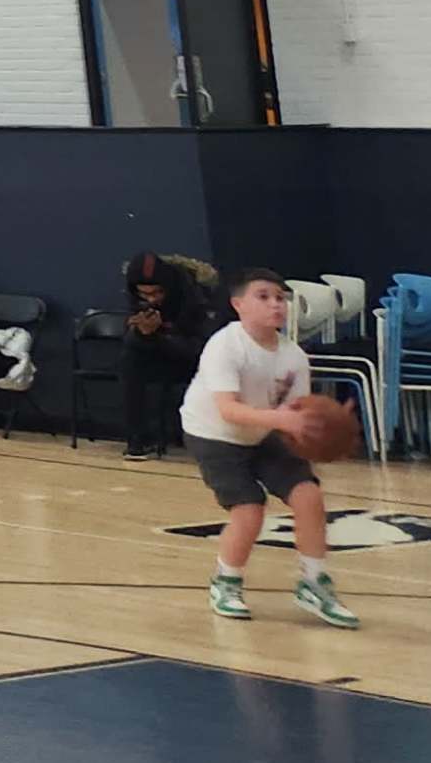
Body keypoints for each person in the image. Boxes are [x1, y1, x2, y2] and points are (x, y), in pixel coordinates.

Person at [185, 270, 355, 628]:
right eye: (263, 296)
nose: (275, 304)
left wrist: (327, 428)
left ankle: (314, 583)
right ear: (238, 304)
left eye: (280, 298)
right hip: (215, 434)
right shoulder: (224, 345)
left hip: (265, 432)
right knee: (249, 509)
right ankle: (226, 583)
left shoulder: (294, 356)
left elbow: (296, 414)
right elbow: (228, 410)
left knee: (309, 495)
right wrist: (282, 420)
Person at [117, 250, 211, 458]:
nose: (151, 299)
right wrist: (140, 334)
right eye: (144, 294)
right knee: (129, 360)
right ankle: (138, 439)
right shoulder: (137, 300)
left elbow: (200, 348)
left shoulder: (196, 298)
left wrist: (161, 335)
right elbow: (132, 340)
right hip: (157, 357)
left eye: (157, 293)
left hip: (193, 361)